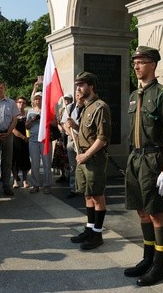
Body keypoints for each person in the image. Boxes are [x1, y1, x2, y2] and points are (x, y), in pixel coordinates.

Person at [123, 46, 163, 286]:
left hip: (153, 159)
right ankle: (147, 258)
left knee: (156, 213)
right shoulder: (134, 96)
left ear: (153, 65)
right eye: (135, 62)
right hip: (135, 159)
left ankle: (159, 265)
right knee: (141, 210)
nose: (136, 66)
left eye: (142, 62)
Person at [67, 72, 111, 250]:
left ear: (91, 86)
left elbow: (102, 138)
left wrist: (87, 155)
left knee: (97, 194)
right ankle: (90, 228)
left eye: (82, 84)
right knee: (87, 194)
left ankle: (97, 233)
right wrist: (74, 127)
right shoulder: (86, 107)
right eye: (77, 85)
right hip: (83, 156)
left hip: (93, 158)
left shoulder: (101, 107)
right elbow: (86, 133)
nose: (78, 88)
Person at [25, 92, 53, 194]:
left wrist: (45, 120)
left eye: (40, 98)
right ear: (33, 100)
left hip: (45, 139)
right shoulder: (30, 111)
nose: (38, 100)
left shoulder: (47, 110)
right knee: (35, 164)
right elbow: (27, 126)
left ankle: (47, 185)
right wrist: (32, 120)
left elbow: (55, 123)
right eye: (36, 99)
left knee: (46, 163)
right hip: (33, 139)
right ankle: (35, 185)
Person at [61, 91, 84, 198]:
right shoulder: (70, 107)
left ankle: (85, 188)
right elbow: (65, 124)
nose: (78, 96)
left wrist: (76, 128)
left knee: (85, 166)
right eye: (77, 94)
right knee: (73, 166)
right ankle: (73, 188)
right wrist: (72, 135)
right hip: (72, 140)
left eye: (80, 93)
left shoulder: (89, 107)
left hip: (85, 141)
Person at [11, 96, 31, 188]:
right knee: (15, 161)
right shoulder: (13, 115)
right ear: (16, 103)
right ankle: (15, 181)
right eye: (19, 102)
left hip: (26, 141)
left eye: (23, 102)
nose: (21, 104)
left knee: (25, 160)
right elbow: (13, 130)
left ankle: (25, 180)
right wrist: (23, 137)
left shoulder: (27, 114)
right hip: (16, 140)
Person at [53, 94, 72, 183]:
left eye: (68, 99)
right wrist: (58, 126)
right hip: (60, 136)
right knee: (60, 156)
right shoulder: (61, 110)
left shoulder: (72, 109)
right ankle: (63, 174)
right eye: (65, 99)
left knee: (68, 156)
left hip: (68, 135)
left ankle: (70, 175)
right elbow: (57, 120)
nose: (66, 101)